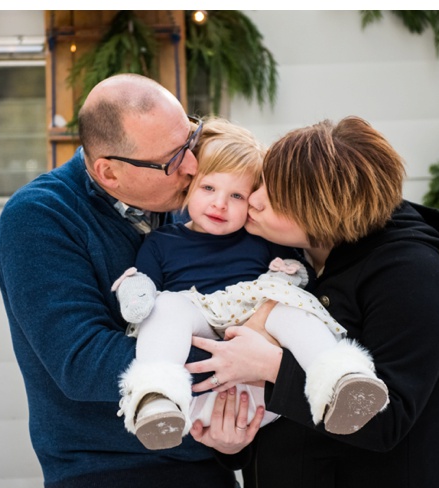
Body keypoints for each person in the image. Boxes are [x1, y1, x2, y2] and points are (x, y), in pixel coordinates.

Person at [0, 74, 247, 488]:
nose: (193, 165)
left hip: (217, 481)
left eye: (191, 137)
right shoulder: (39, 218)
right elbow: (82, 361)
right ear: (109, 170)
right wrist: (237, 364)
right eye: (172, 159)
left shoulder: (192, 201)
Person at [187, 116, 439, 488]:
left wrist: (270, 366)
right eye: (262, 183)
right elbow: (284, 420)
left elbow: (385, 421)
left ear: (324, 210)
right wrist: (233, 445)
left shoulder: (412, 275)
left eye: (278, 196)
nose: (255, 200)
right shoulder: (286, 262)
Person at [113, 118, 388, 451]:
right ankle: (156, 396)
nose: (220, 204)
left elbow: (302, 277)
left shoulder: (258, 236)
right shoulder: (161, 242)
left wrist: (288, 273)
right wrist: (135, 293)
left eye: (237, 195)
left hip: (264, 393)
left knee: (289, 308)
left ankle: (340, 380)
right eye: (209, 188)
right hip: (200, 385)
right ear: (190, 185)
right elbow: (143, 288)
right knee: (165, 308)